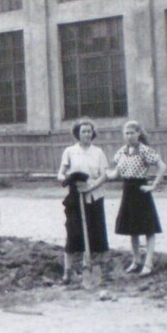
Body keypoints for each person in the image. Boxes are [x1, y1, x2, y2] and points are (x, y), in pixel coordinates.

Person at [108, 120, 167, 276]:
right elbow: (115, 174)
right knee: (132, 229)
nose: (129, 136)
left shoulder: (144, 150)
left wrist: (153, 186)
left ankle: (148, 262)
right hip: (127, 191)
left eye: (132, 133)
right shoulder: (121, 152)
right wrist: (100, 173)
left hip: (141, 190)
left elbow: (162, 166)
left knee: (148, 228)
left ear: (139, 133)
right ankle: (136, 261)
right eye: (126, 133)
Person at [57, 117, 109, 285]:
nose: (87, 134)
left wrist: (91, 186)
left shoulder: (98, 152)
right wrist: (69, 178)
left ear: (93, 133)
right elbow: (60, 174)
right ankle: (68, 271)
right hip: (75, 197)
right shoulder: (70, 151)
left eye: (89, 131)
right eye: (83, 132)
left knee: (96, 233)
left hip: (94, 196)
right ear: (77, 134)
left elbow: (104, 175)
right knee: (73, 233)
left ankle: (95, 268)